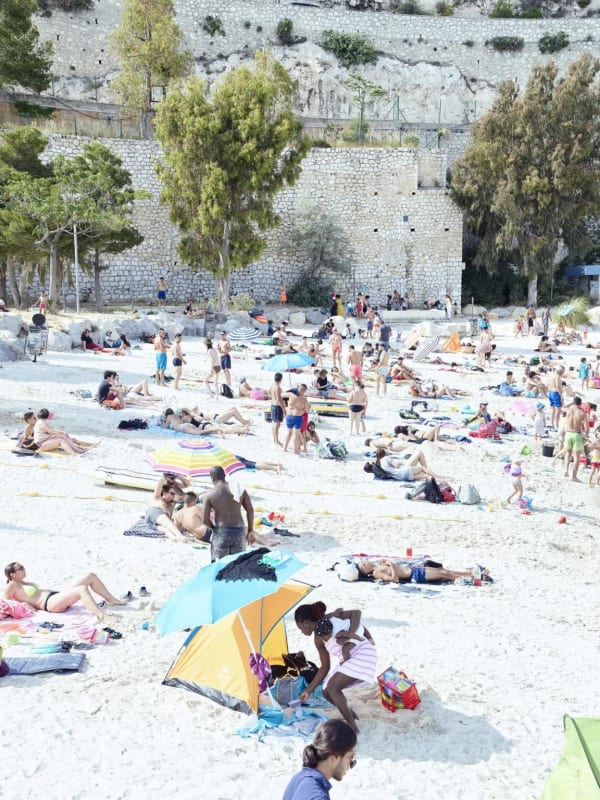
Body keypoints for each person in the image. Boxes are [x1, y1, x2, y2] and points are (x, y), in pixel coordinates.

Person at [295, 601, 377, 734]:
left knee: (333, 688)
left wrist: (358, 635)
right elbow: (325, 667)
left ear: (306, 623)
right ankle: (350, 714)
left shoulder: (331, 618)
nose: (301, 632)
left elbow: (357, 617)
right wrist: (308, 691)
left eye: (301, 628)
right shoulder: (318, 639)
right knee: (326, 691)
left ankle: (353, 728)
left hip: (362, 652)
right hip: (348, 658)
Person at [3, 562, 127, 622]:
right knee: (81, 589)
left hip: (56, 596)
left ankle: (111, 600)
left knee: (90, 575)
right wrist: (24, 605)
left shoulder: (22, 582)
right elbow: (4, 603)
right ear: (12, 574)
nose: (24, 569)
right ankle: (102, 616)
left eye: (23, 567)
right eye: (20, 569)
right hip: (50, 604)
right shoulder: (12, 585)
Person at [282, 719, 357, 800]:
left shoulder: (300, 778)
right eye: (350, 757)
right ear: (335, 757)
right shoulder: (318, 796)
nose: (350, 765)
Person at [201, 466, 256, 561]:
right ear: (224, 476)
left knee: (218, 565)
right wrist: (250, 530)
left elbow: (205, 520)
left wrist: (214, 529)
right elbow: (250, 510)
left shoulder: (209, 495)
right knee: (237, 564)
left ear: (212, 478)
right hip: (239, 531)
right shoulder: (238, 489)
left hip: (222, 531)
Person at [356, 558, 489, 584]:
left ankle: (474, 573)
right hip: (414, 575)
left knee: (444, 570)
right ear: (366, 570)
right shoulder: (376, 573)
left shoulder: (378, 565)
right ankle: (476, 576)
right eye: (363, 564)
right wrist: (392, 564)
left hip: (415, 569)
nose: (365, 561)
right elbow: (395, 579)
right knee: (446, 575)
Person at [563, 396, 587, 481]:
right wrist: (586, 435)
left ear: (573, 403)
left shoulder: (568, 410)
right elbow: (586, 428)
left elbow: (562, 407)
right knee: (577, 457)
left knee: (567, 454)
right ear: (580, 404)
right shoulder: (582, 413)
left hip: (568, 433)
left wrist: (571, 403)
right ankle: (574, 476)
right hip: (576, 434)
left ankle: (565, 470)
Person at [283, 384, 311, 455]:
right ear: (304, 391)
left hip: (289, 416)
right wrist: (304, 408)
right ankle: (296, 451)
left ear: (298, 389)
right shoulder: (304, 400)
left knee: (289, 432)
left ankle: (285, 448)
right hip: (297, 417)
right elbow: (307, 410)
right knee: (296, 434)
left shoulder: (291, 395)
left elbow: (282, 394)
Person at [269, 372, 286, 447]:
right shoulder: (278, 388)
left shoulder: (273, 385)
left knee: (274, 424)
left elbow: (268, 391)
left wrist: (272, 398)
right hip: (277, 406)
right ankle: (276, 440)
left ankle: (275, 440)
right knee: (277, 424)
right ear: (281, 379)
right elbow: (279, 400)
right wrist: (284, 409)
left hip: (273, 405)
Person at [547, 365, 565, 429]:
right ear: (560, 371)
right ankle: (556, 424)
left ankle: (552, 423)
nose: (563, 373)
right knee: (558, 410)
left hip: (550, 392)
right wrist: (561, 395)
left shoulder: (551, 375)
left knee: (552, 409)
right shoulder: (557, 376)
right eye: (562, 372)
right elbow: (557, 386)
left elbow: (548, 384)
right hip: (555, 393)